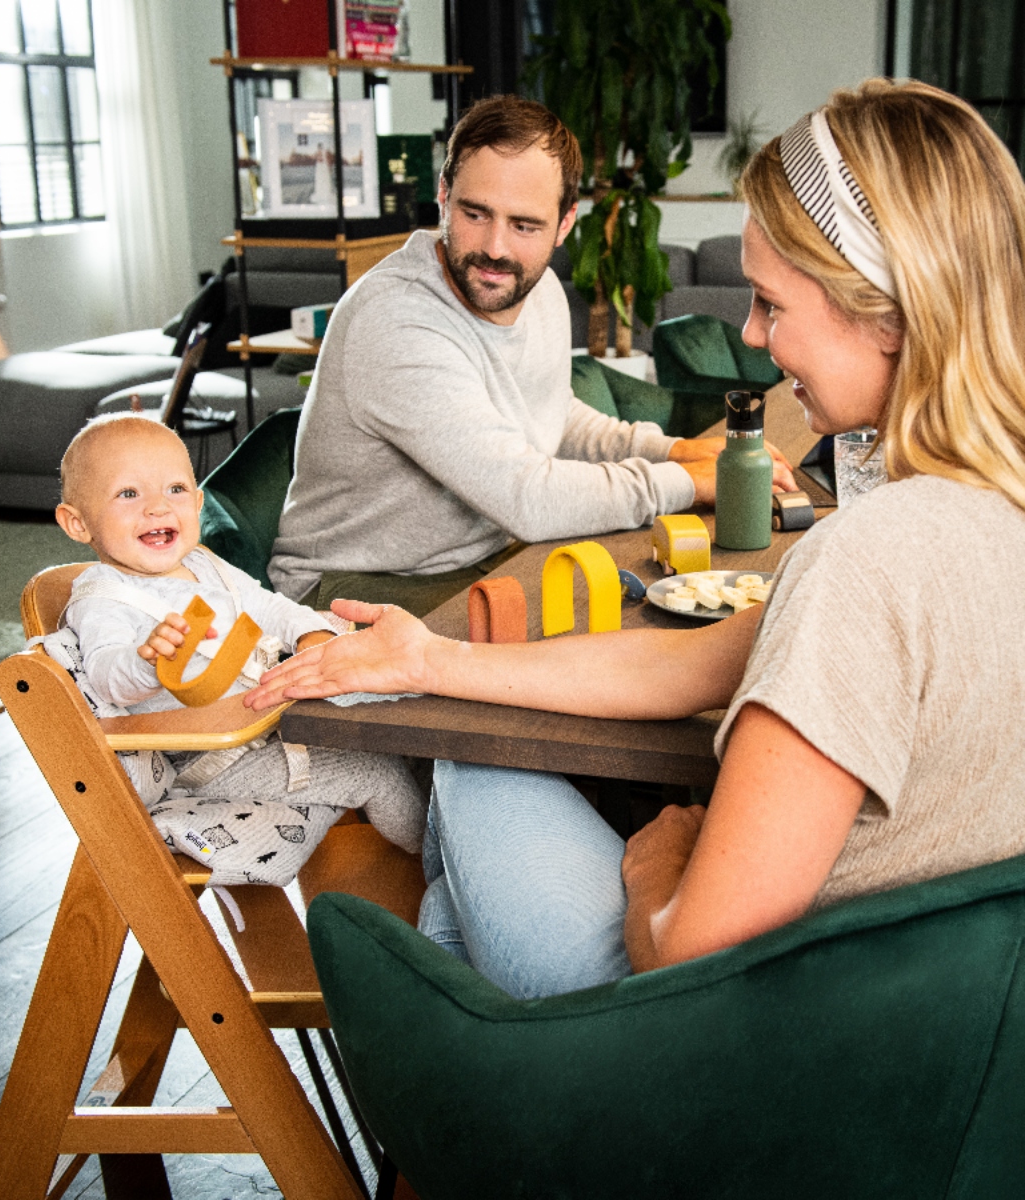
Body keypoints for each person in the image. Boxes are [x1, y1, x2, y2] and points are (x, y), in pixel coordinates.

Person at [247, 79, 1025, 998]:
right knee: (476, 784)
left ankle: (476, 1076)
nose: (750, 331)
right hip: (895, 1024)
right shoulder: (982, 510)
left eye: (771, 305)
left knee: (473, 757)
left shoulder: (867, 560)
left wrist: (664, 858)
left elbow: (687, 949)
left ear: (889, 314)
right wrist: (429, 662)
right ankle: (471, 1077)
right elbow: (699, 664)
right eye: (474, 210)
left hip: (690, 1038)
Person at [269, 95, 794, 616]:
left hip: (486, 556)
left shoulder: (533, 289)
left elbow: (552, 414)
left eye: (524, 226)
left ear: (565, 224)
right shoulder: (396, 322)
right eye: (475, 213)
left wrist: (673, 452)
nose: (496, 248)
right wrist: (687, 483)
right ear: (443, 194)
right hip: (351, 592)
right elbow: (529, 498)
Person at [52, 414, 425, 887]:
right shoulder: (104, 595)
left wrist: (310, 635)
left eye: (175, 490)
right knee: (379, 772)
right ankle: (435, 873)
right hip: (217, 760)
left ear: (199, 501)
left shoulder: (202, 564)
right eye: (129, 494)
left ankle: (409, 858)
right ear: (77, 523)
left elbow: (267, 606)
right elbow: (108, 676)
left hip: (271, 721)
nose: (157, 509)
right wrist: (147, 661)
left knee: (408, 722)